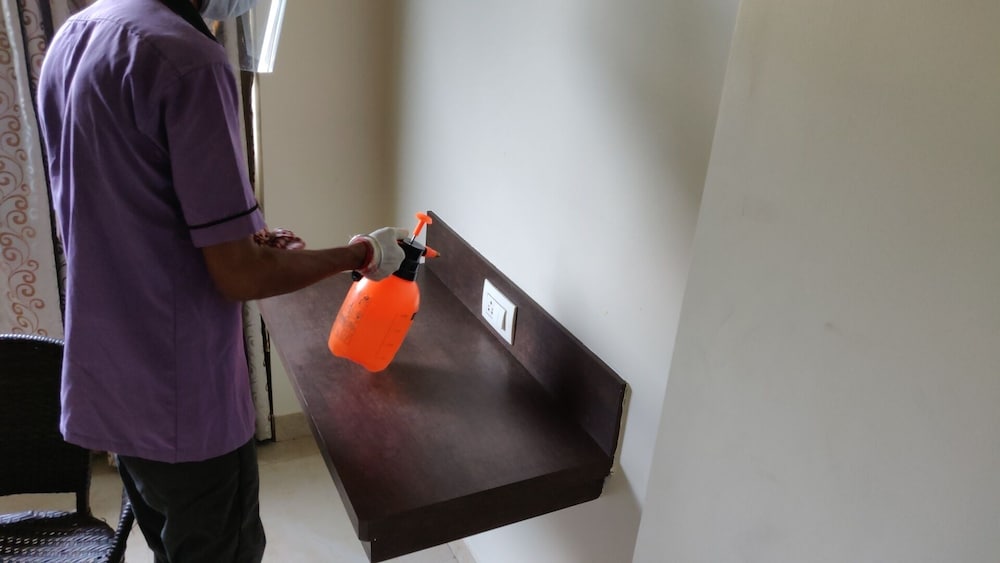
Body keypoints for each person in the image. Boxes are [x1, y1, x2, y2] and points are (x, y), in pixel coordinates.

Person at [36, 0, 405, 561]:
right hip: (181, 398)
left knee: (170, 542)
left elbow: (126, 207)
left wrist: (243, 239)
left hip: (111, 381)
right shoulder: (189, 61)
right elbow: (240, 276)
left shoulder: (77, 35)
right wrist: (364, 254)